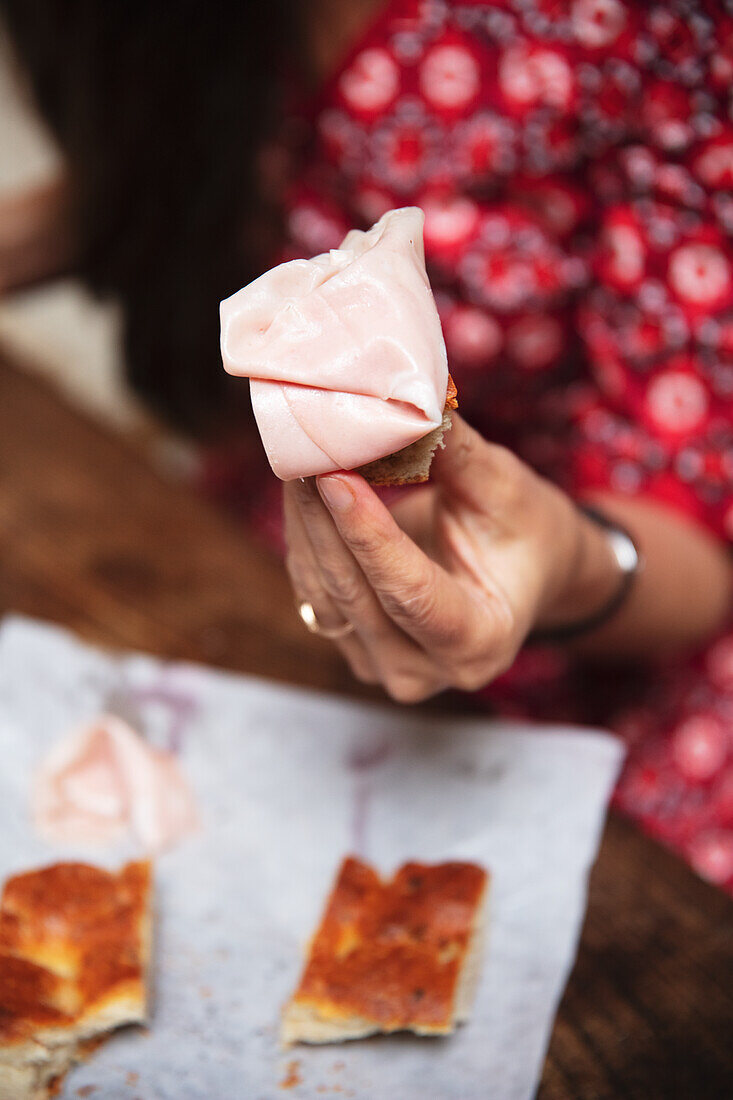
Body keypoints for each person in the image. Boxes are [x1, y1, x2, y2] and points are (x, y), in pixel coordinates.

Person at [2, 0, 732, 891]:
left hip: (596, 627)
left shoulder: (648, 31)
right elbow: (186, 164)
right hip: (279, 557)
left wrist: (563, 558)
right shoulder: (163, 29)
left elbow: (691, 540)